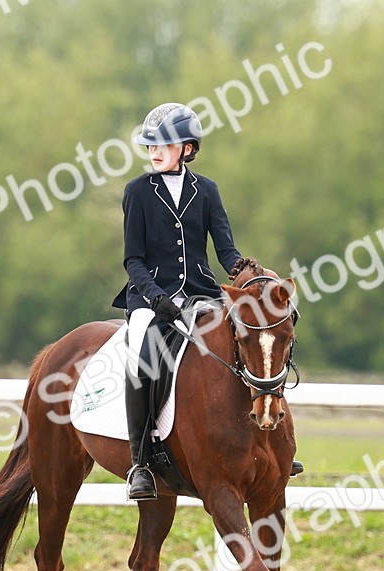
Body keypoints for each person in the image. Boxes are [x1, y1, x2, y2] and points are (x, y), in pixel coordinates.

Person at [112, 102, 245, 501]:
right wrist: (156, 297)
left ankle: (262, 442)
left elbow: (226, 250)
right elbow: (133, 259)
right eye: (150, 145)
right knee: (144, 355)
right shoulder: (138, 192)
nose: (154, 152)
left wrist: (243, 270)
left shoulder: (207, 191)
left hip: (202, 293)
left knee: (250, 341)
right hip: (150, 298)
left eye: (163, 145)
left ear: (187, 149)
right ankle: (140, 462)